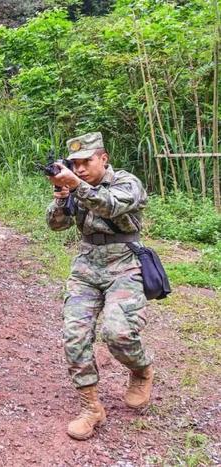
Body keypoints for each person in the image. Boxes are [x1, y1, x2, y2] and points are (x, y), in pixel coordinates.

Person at [45, 132, 154, 440]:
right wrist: (61, 196)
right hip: (86, 266)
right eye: (74, 164)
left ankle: (142, 369)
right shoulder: (74, 186)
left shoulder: (127, 182)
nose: (79, 170)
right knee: (74, 335)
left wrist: (77, 186)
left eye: (86, 162)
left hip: (124, 264)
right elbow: (56, 225)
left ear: (104, 158)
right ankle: (91, 407)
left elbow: (109, 206)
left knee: (117, 331)